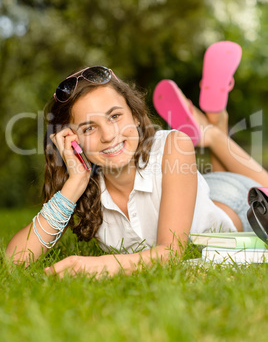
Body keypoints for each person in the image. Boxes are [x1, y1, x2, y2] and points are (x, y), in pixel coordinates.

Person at [6, 64, 268, 278]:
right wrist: (74, 184)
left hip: (237, 206)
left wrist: (94, 265)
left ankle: (211, 130)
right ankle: (213, 121)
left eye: (115, 116)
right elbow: (14, 261)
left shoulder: (174, 145)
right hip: (195, 191)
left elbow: (171, 253)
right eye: (88, 128)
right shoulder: (86, 187)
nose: (109, 135)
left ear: (134, 115)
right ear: (70, 140)